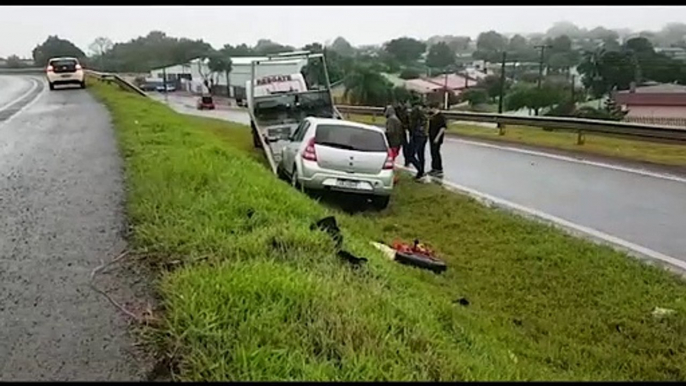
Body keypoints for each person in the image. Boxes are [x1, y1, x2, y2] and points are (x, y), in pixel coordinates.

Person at [407, 102, 429, 180]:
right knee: (421, 155)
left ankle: (421, 171)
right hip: (424, 136)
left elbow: (412, 126)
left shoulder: (416, 116)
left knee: (410, 155)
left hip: (417, 136)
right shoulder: (424, 116)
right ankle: (421, 172)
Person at [428, 102, 447, 177]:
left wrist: (437, 137)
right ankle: (434, 168)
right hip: (432, 137)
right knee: (433, 152)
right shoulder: (433, 116)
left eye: (431, 108)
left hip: (436, 138)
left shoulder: (440, 116)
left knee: (436, 153)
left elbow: (443, 128)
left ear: (434, 108)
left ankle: (439, 169)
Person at [394, 102, 411, 167]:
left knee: (398, 146)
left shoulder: (397, 111)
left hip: (399, 131)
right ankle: (407, 160)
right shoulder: (404, 112)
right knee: (403, 146)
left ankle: (406, 160)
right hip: (401, 130)